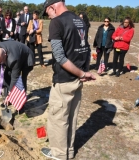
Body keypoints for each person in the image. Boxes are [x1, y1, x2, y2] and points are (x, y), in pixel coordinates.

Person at [41, 0, 96, 159]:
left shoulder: (57, 22)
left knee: (58, 119)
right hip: (78, 81)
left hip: (64, 80)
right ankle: (69, 151)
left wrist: (81, 74)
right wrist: (84, 71)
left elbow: (59, 56)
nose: (49, 17)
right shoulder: (80, 20)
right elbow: (86, 49)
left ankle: (59, 154)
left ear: (52, 7)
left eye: (47, 13)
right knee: (71, 117)